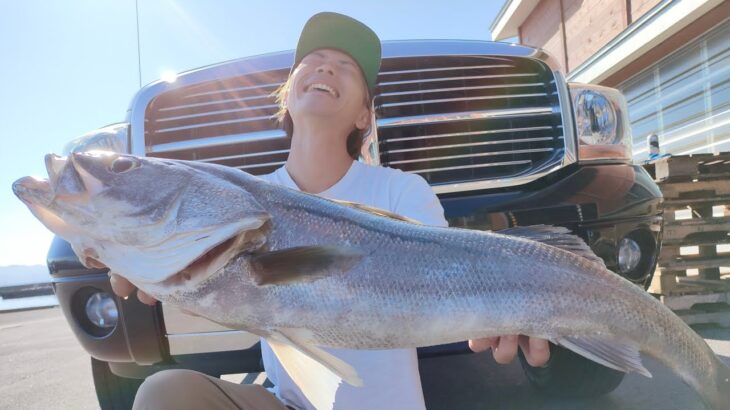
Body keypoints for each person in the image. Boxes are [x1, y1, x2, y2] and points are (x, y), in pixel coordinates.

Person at [111, 12, 551, 409]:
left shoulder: (401, 190)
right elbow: (217, 285)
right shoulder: (239, 202)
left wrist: (510, 302)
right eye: (314, 58)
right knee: (164, 394)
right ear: (286, 95)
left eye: (346, 67)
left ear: (365, 115)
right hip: (289, 403)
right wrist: (140, 252)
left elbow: (447, 271)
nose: (326, 66)